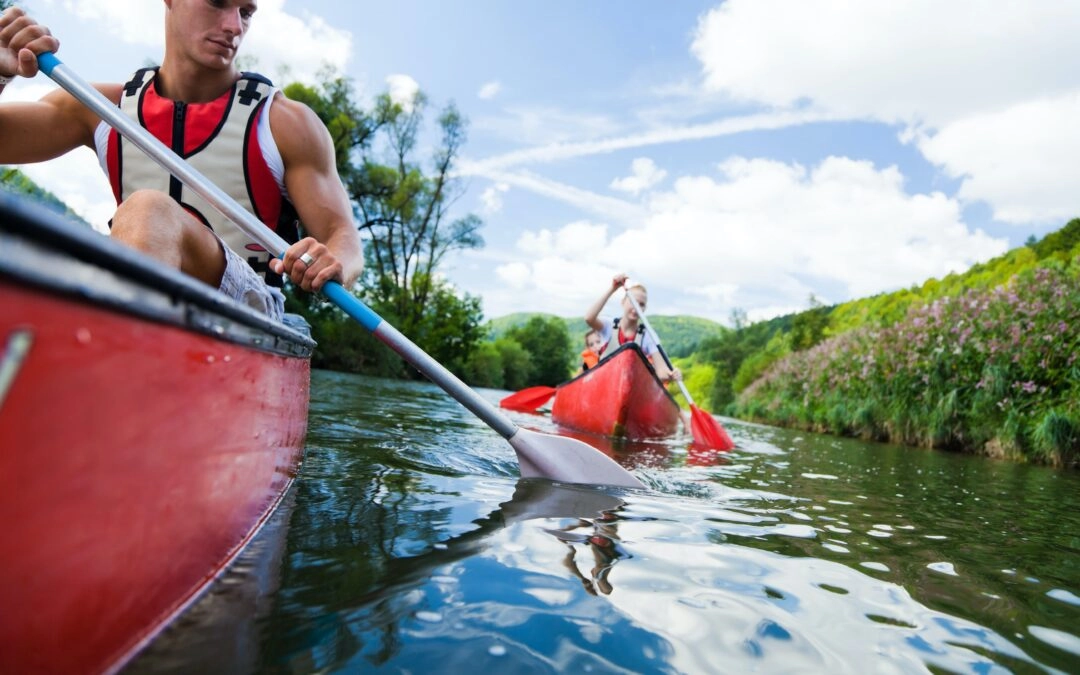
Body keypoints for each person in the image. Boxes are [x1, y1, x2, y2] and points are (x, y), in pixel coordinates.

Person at [0, 1, 363, 321]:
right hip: (131, 283)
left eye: (246, 12)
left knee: (148, 209)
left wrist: (332, 262)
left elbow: (343, 237)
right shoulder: (101, 107)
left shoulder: (285, 122)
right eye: (217, 2)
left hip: (248, 307)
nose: (234, 26)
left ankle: (111, 349)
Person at [584, 272, 681, 382]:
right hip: (605, 382)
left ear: (644, 309)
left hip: (630, 384)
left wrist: (671, 375)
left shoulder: (648, 335)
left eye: (641, 304)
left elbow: (661, 371)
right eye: (633, 301)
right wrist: (612, 288)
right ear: (623, 302)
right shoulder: (609, 325)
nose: (636, 307)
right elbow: (589, 318)